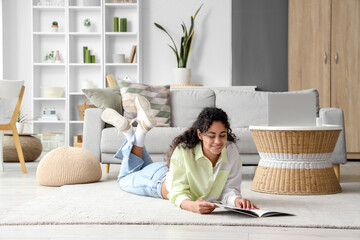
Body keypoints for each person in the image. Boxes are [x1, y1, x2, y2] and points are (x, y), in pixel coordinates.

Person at [101, 96, 258, 214]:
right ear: (200, 134)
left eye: (223, 135)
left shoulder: (231, 151)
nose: (218, 141)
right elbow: (177, 192)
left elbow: (229, 188)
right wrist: (192, 206)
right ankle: (133, 134)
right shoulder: (184, 151)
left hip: (171, 170)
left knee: (141, 166)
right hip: (157, 181)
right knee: (122, 180)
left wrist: (236, 200)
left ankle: (133, 133)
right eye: (211, 135)